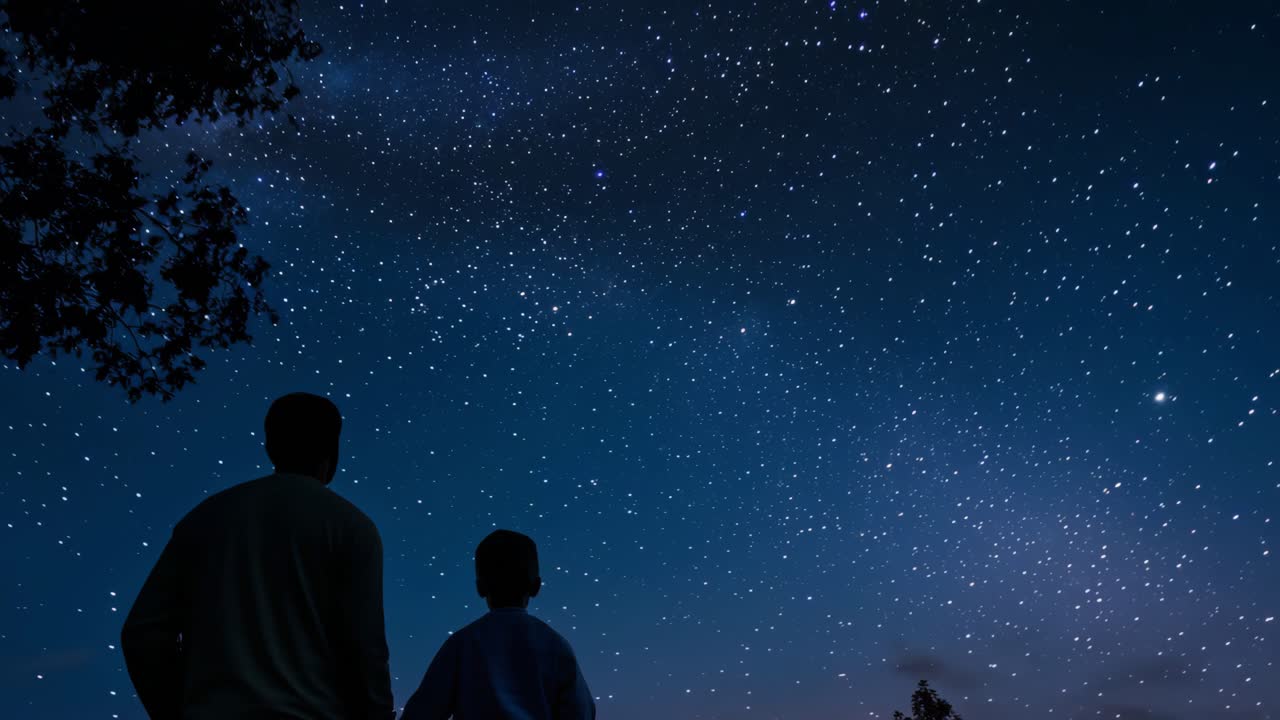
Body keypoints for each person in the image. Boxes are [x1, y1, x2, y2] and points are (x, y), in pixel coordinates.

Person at [120, 392, 394, 720]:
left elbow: (143, 633)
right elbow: (365, 649)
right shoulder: (351, 527)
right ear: (332, 449)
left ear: (270, 445)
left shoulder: (205, 519)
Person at [401, 529, 595, 720]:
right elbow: (580, 711)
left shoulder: (462, 643)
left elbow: (423, 711)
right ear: (536, 586)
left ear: (480, 588)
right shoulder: (555, 644)